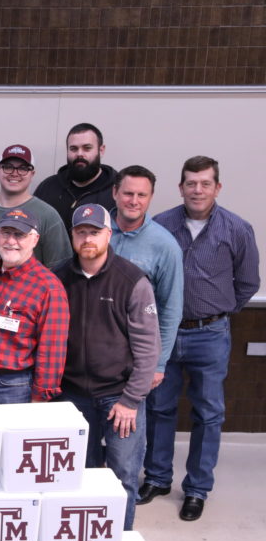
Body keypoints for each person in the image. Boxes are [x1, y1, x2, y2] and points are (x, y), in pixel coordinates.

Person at [141, 156, 261, 522]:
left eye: (205, 183)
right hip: (166, 332)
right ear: (180, 188)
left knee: (208, 413)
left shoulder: (237, 229)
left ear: (217, 188)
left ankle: (196, 488)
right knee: (159, 407)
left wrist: (218, 311)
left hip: (210, 333)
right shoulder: (161, 225)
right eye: (191, 183)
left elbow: (248, 284)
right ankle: (158, 477)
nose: (197, 190)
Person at [55, 204, 160, 531]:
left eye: (94, 231)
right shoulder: (56, 276)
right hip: (71, 397)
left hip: (118, 399)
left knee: (123, 476)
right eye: (81, 231)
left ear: (109, 234)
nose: (88, 238)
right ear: (73, 236)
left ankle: (120, 540)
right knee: (76, 476)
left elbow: (147, 348)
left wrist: (131, 400)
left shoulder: (131, 280)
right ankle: (82, 539)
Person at [0, 208, 69, 405]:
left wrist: (40, 399)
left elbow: (52, 349)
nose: (11, 241)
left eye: (19, 235)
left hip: (12, 388)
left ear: (35, 239)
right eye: (5, 232)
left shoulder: (49, 287)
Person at [108, 165, 183, 393]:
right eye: (128, 193)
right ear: (115, 193)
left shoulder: (165, 245)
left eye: (142, 195)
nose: (134, 201)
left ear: (150, 198)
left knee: (128, 421)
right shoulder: (93, 232)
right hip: (93, 351)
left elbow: (171, 307)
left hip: (137, 354)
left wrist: (158, 364)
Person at [0, 144, 71, 267]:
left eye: (23, 168)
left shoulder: (48, 216)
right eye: (8, 167)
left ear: (32, 174)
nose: (15, 173)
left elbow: (60, 269)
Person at [35, 122, 118, 235]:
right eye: (73, 149)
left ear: (101, 150)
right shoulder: (48, 187)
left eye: (87, 148)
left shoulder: (117, 191)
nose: (80, 154)